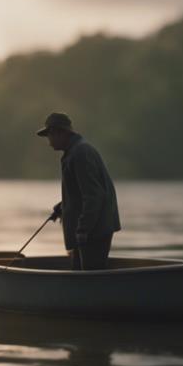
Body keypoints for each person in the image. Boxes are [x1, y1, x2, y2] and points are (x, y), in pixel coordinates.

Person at [37, 112, 121, 270]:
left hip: (94, 231)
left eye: (50, 135)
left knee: (90, 276)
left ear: (61, 132)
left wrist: (83, 229)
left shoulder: (80, 153)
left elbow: (94, 196)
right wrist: (64, 206)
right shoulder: (75, 151)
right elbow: (84, 192)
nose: (49, 142)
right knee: (80, 273)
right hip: (90, 229)